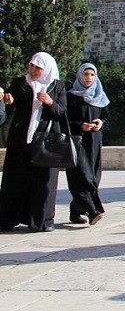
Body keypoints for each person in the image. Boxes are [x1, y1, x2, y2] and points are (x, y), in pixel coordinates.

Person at [0, 52, 67, 232]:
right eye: (31, 65)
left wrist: (50, 102)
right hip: (20, 139)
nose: (33, 70)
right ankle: (8, 219)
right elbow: (9, 107)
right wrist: (8, 101)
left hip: (45, 140)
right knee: (15, 177)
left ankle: (42, 221)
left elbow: (61, 112)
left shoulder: (57, 86)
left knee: (44, 181)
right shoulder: (20, 83)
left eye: (38, 67)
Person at [65, 62, 109, 226]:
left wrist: (101, 123)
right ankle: (93, 211)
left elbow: (107, 118)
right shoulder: (71, 96)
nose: (89, 78)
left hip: (95, 141)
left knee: (94, 177)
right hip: (77, 141)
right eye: (86, 74)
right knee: (84, 176)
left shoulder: (101, 96)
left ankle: (75, 211)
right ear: (80, 76)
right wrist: (80, 126)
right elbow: (65, 120)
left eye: (92, 75)